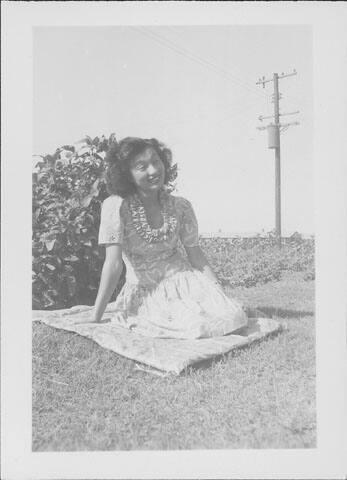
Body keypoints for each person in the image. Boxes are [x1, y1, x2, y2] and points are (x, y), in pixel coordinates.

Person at [90, 136, 248, 339]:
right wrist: (97, 315)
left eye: (156, 162)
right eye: (142, 166)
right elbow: (113, 264)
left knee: (233, 316)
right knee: (195, 326)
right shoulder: (116, 206)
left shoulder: (181, 206)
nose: (154, 171)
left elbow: (196, 255)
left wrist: (220, 293)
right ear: (127, 175)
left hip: (187, 283)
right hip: (148, 291)